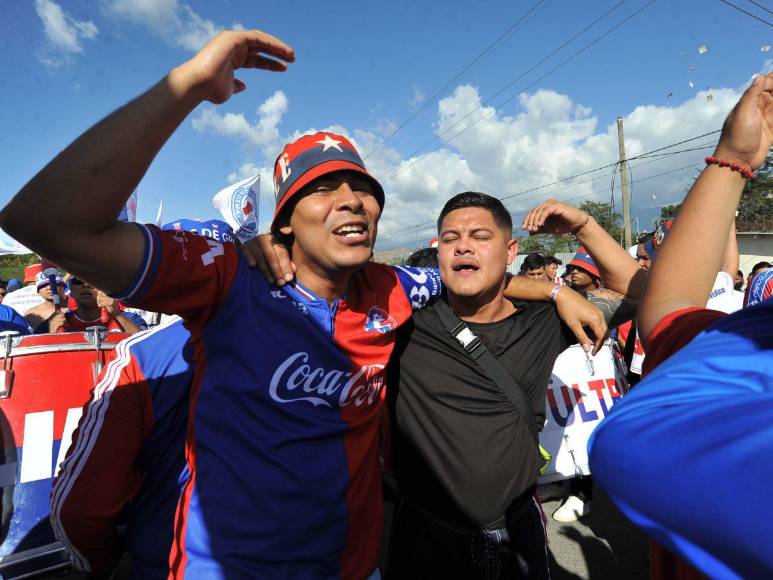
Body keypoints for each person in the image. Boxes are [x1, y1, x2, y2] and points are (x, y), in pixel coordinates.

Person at [1, 29, 603, 579]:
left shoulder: (392, 288)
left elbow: (469, 276)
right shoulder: (231, 278)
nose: (352, 200)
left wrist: (555, 289)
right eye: (323, 188)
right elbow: (46, 221)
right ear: (285, 222)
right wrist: (185, 87)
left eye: (362, 188)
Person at [383, 194, 638, 579]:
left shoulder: (546, 321)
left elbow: (641, 291)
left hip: (519, 533)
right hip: (426, 536)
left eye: (480, 236)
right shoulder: (402, 323)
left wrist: (584, 226)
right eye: (450, 238)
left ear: (510, 251)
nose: (462, 246)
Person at [589, 72, 773, 578]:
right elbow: (669, 308)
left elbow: (627, 446)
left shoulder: (735, 360)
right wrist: (734, 158)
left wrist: (733, 162)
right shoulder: (748, 338)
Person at [47, 277, 146, 334]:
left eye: (93, 280)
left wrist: (117, 315)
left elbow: (147, 349)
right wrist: (51, 335)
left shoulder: (132, 319)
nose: (85, 285)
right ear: (71, 290)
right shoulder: (54, 323)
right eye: (78, 280)